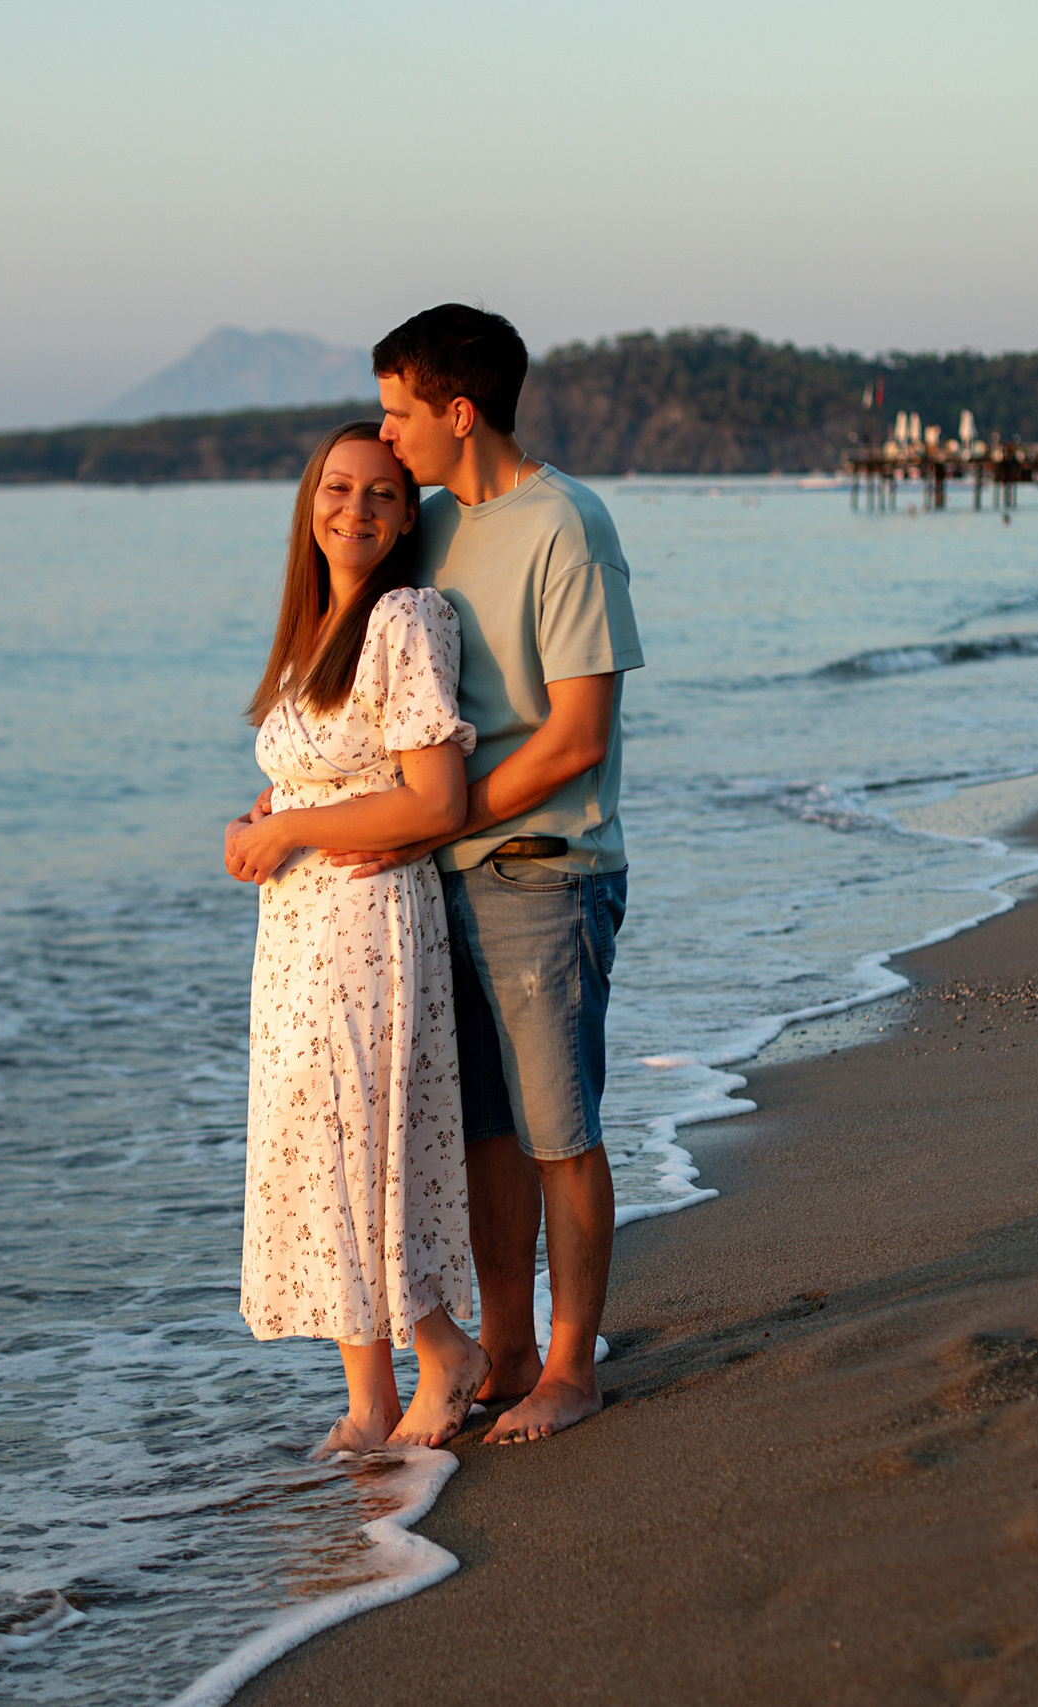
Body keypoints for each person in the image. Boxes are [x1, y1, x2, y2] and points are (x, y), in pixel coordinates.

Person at [320, 304, 644, 1445]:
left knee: (559, 1128)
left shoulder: (568, 524)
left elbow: (576, 736)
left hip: (543, 873)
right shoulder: (435, 529)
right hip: (438, 885)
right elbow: (381, 699)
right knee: (483, 1137)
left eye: (401, 411)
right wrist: (304, 800)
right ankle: (506, 1359)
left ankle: (571, 1368)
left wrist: (431, 826)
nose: (386, 433)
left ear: (458, 413)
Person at [224, 422, 491, 1456]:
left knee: (362, 1141)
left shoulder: (406, 619)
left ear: (406, 515)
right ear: (309, 502)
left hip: (366, 923)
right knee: (310, 1144)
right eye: (338, 489)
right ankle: (368, 1399)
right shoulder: (314, 630)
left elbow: (431, 797)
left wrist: (289, 828)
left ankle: (445, 1349)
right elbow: (315, 772)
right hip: (295, 932)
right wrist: (263, 820)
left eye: (383, 495)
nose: (357, 510)